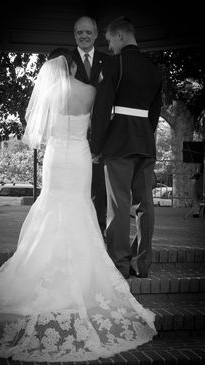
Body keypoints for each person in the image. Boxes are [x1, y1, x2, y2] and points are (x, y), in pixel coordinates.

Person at [0, 48, 157, 363]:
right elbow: (98, 125)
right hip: (81, 155)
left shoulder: (47, 94)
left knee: (51, 205)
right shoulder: (90, 91)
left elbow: (39, 133)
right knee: (80, 206)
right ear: (71, 65)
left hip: (55, 158)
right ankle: (82, 276)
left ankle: (40, 266)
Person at [91, 16, 162, 279]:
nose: (109, 47)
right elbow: (154, 113)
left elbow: (102, 108)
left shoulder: (114, 63)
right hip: (145, 143)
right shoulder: (154, 69)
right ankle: (142, 265)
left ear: (120, 35)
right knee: (146, 205)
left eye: (109, 40)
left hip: (119, 143)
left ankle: (119, 265)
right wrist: (144, 134)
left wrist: (96, 146)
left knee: (119, 206)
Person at [72, 16, 109, 236]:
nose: (84, 36)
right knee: (75, 190)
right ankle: (74, 236)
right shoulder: (66, 60)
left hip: (101, 135)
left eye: (88, 32)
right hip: (74, 137)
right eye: (79, 33)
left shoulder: (109, 60)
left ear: (96, 34)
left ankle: (97, 236)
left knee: (99, 191)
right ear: (74, 34)